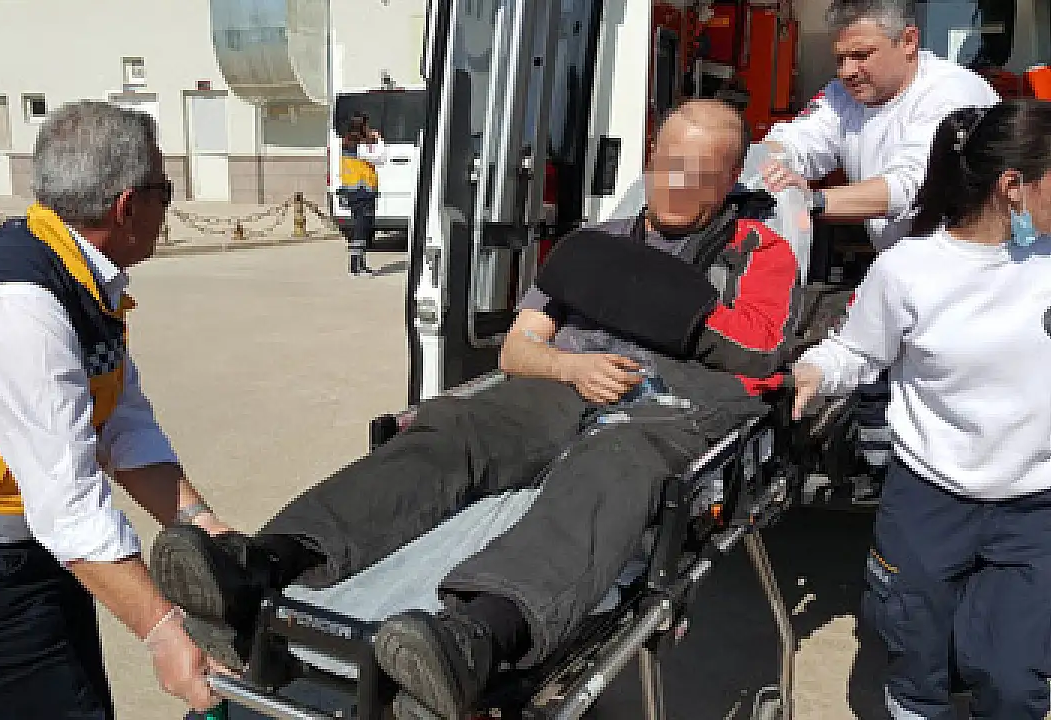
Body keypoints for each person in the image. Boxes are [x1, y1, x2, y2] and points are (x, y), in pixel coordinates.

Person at [151, 99, 801, 718]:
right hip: (566, 382)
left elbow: (759, 354)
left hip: (669, 408)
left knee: (616, 464)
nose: (679, 183)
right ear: (651, 156)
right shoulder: (594, 246)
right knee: (455, 428)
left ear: (730, 181)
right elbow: (519, 350)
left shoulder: (759, 253)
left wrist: (659, 306)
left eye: (702, 173)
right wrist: (570, 367)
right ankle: (264, 563)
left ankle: (476, 636)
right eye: (670, 163)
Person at [0, 101, 232, 718]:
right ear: (126, 206)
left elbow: (121, 423)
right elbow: (69, 501)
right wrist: (166, 633)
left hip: (21, 553)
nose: (168, 208)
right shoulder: (13, 307)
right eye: (164, 192)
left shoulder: (75, 276)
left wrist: (202, 526)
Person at [792, 99, 1051, 719]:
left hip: (1034, 506)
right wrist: (815, 371)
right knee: (917, 662)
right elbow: (858, 350)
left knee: (1015, 682)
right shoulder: (910, 270)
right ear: (1013, 187)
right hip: (930, 498)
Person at [759, 0, 1001, 493]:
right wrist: (769, 164)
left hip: (975, 277)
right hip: (904, 268)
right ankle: (882, 469)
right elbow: (797, 141)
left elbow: (912, 186)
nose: (848, 71)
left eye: (862, 55)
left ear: (908, 41)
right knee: (875, 374)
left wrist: (813, 202)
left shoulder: (951, 94)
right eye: (840, 58)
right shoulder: (845, 95)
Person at [338, 111, 386, 276]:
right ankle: (356, 266)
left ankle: (358, 264)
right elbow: (380, 158)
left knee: (361, 228)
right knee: (362, 228)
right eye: (366, 125)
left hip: (355, 191)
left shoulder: (349, 142)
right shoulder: (358, 145)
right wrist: (379, 140)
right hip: (362, 191)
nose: (369, 128)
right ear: (361, 126)